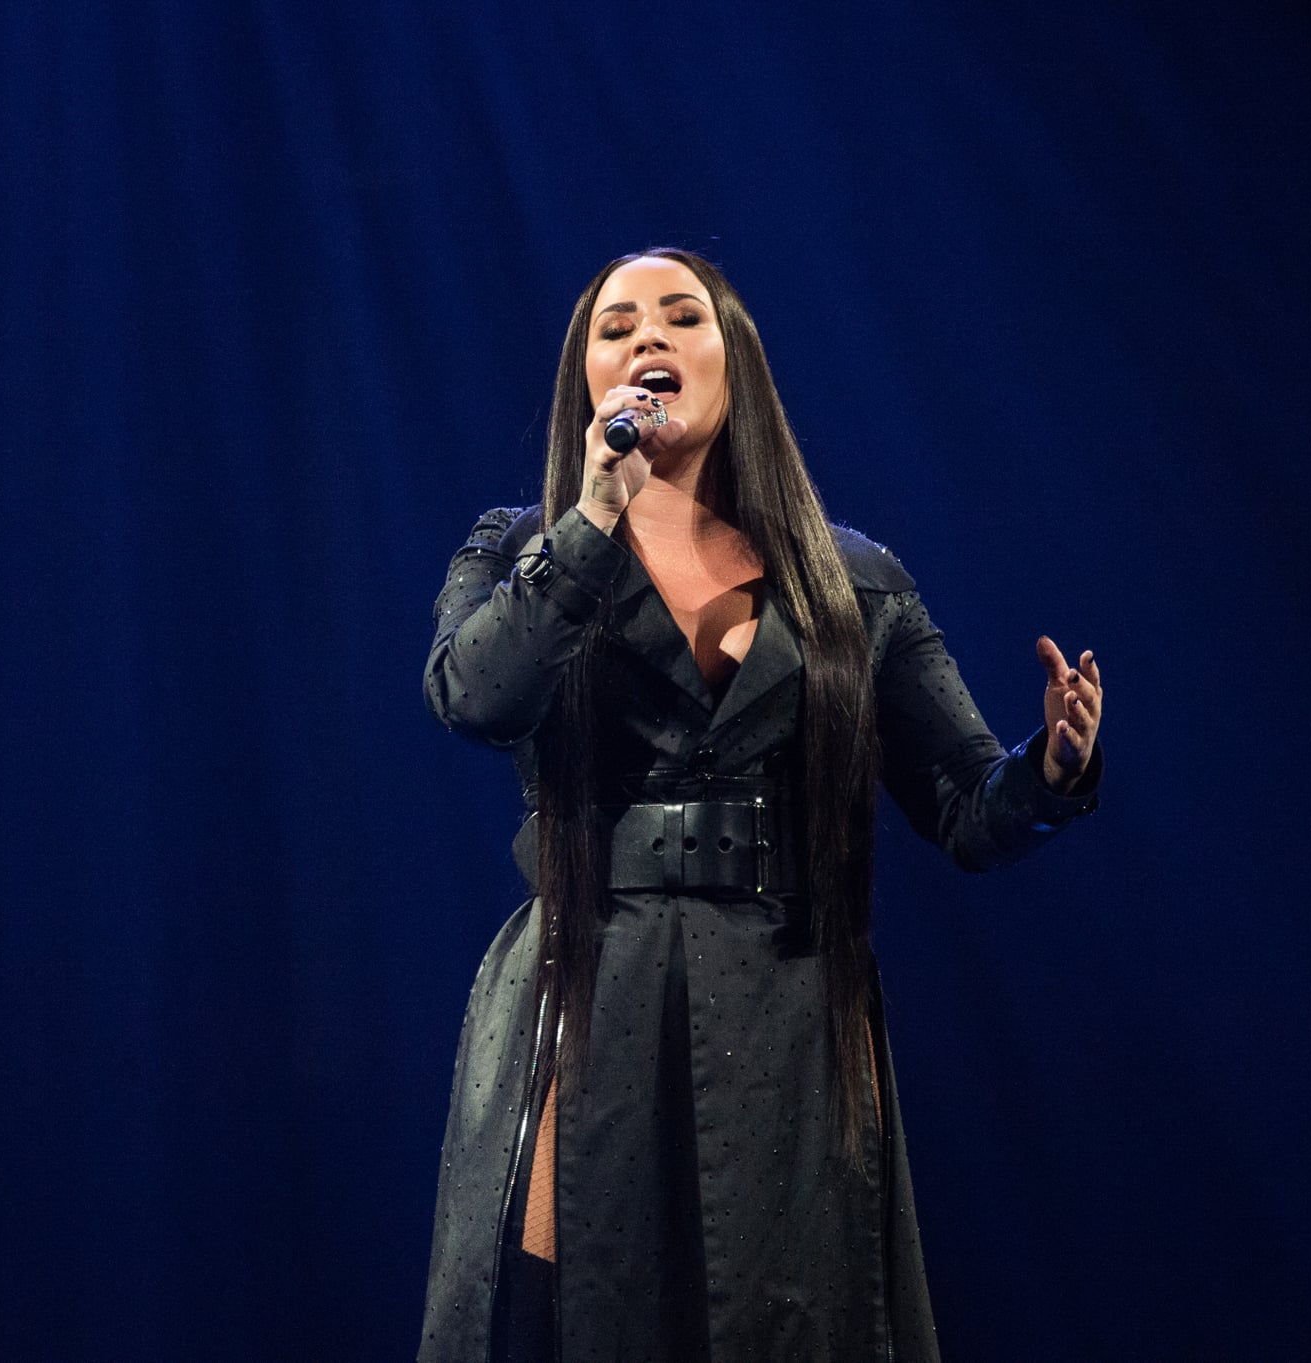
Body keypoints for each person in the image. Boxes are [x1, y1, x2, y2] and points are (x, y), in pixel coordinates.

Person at [418, 249, 1104, 1363]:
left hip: (782, 1006)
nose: (645, 340)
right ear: (583, 381)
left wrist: (1055, 770)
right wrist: (591, 522)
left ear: (731, 359)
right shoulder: (521, 547)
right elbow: (474, 699)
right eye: (615, 327)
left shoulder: (851, 581)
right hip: (590, 986)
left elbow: (968, 808)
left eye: (679, 318)